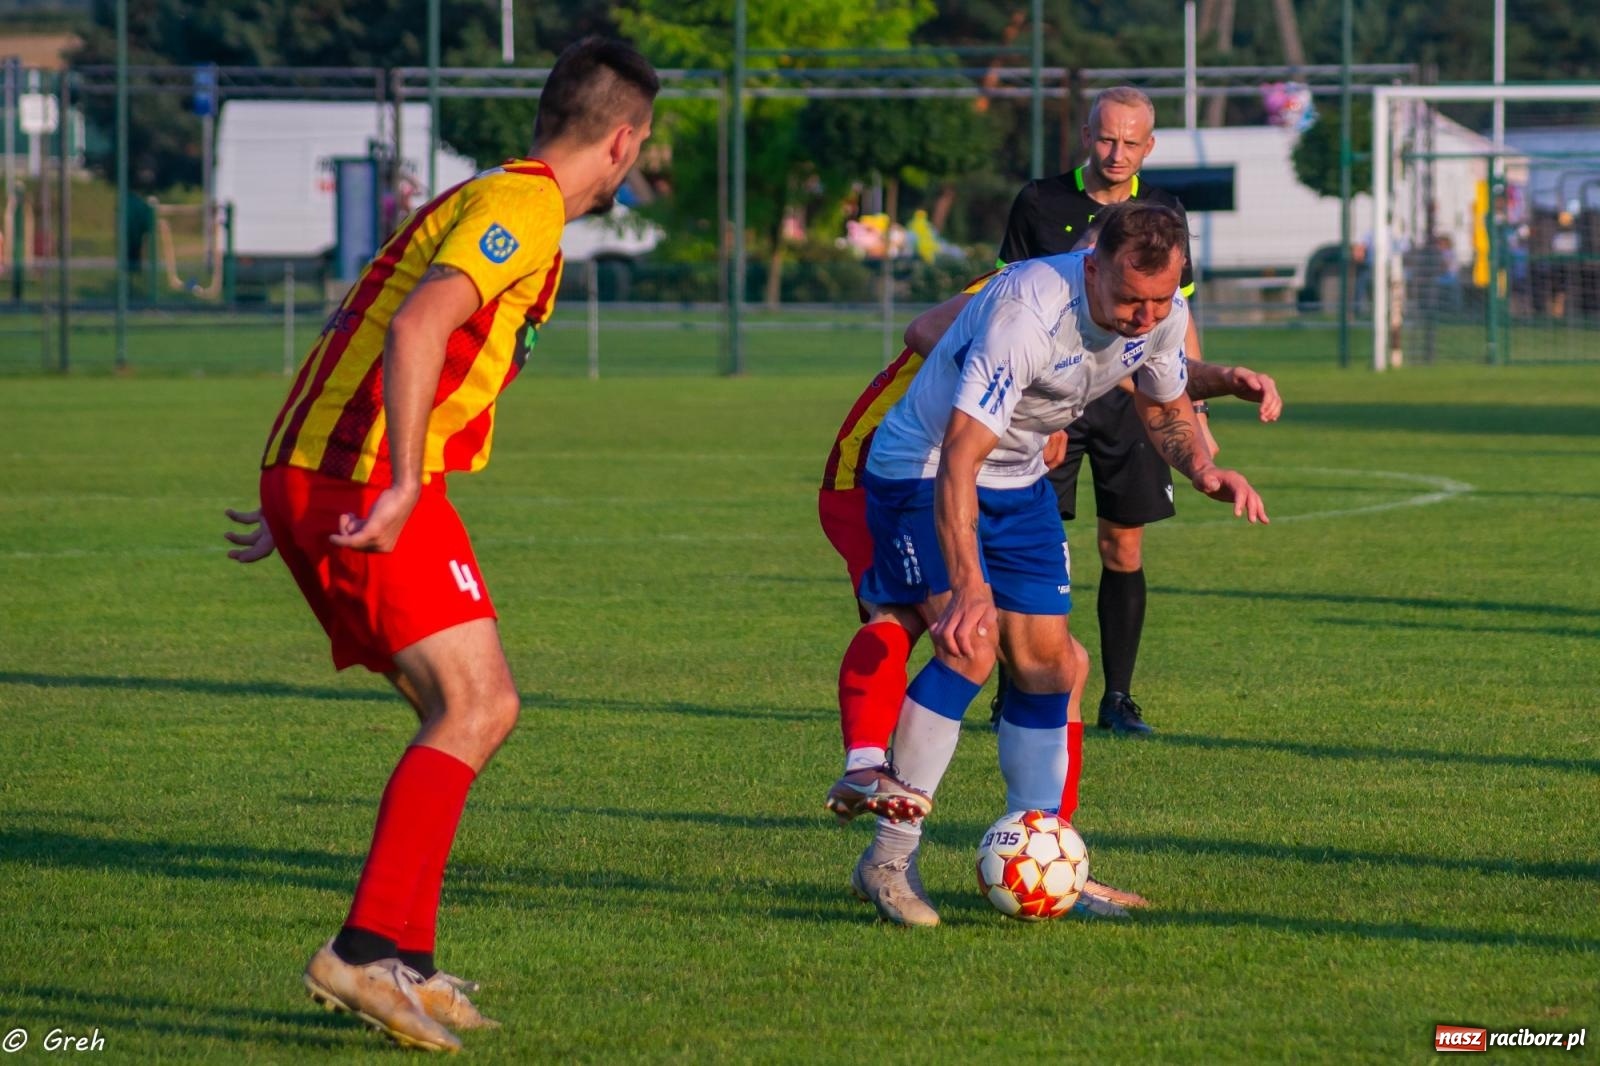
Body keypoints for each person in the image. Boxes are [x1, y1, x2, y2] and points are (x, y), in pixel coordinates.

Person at [222, 37, 657, 1052]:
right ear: (623, 143)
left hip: (330, 469)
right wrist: (395, 479)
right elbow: (415, 326)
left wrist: (297, 476)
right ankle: (362, 951)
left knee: (462, 707)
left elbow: (361, 313)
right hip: (364, 474)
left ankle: (404, 961)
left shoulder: (493, 194)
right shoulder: (527, 207)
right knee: (477, 705)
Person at [843, 202, 1268, 926]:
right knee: (971, 643)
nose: (1144, 316)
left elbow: (1163, 403)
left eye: (1161, 299)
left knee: (1053, 666)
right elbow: (960, 456)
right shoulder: (1028, 313)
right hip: (925, 467)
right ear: (1093, 267)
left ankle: (1042, 854)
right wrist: (970, 586)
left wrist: (1203, 469)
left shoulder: (1160, 312)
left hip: (1017, 479)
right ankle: (887, 859)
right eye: (1131, 299)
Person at [997, 85, 1208, 736]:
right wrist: (1026, 412)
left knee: (1123, 545)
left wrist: (1194, 409)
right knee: (1032, 546)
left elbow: (1177, 313)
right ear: (1087, 135)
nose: (1117, 152)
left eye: (1130, 142)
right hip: (1050, 402)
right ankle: (1015, 693)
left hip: (1129, 402)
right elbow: (1005, 299)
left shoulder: (1163, 212)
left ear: (1150, 146)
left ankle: (1118, 698)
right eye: (1107, 138)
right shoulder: (1040, 201)